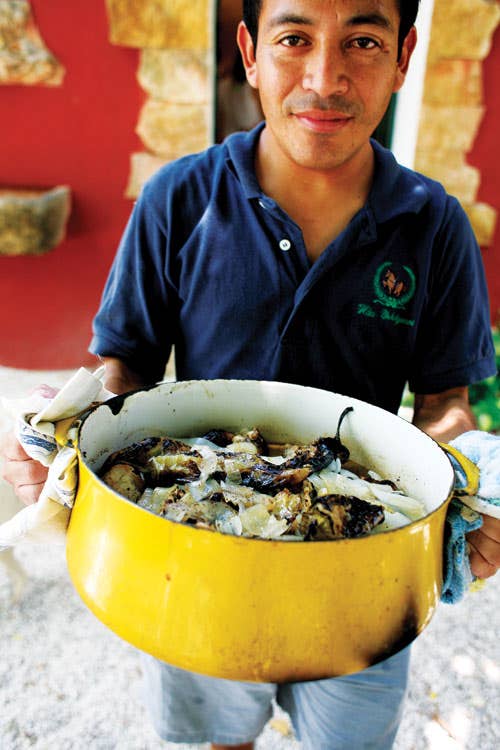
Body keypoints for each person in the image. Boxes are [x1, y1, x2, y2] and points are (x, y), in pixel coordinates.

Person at [3, 1, 500, 748]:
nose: (325, 78)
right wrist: (64, 434)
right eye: (294, 38)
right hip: (198, 546)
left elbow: (446, 402)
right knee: (220, 731)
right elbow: (125, 370)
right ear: (249, 51)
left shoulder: (434, 223)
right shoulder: (180, 198)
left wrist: (471, 483)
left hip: (361, 562)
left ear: (404, 57)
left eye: (363, 42)